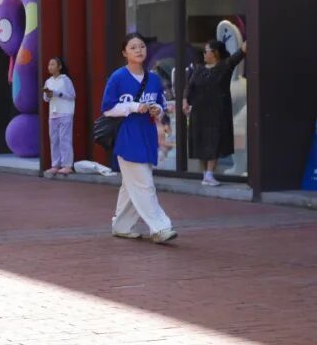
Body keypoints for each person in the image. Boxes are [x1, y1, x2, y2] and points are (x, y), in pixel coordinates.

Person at [101, 32, 176, 244]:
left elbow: (161, 104)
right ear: (124, 52)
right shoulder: (117, 77)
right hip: (127, 137)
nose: (138, 50)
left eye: (141, 46)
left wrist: (157, 110)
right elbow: (107, 108)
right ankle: (161, 227)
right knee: (144, 184)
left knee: (131, 186)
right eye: (133, 47)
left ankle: (122, 226)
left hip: (147, 136)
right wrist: (134, 106)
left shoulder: (153, 79)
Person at [183, 39, 247, 186]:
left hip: (216, 112)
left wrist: (247, 41)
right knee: (200, 142)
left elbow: (239, 55)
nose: (204, 54)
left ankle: (210, 174)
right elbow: (190, 86)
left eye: (206, 51)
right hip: (199, 112)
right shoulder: (199, 68)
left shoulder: (224, 66)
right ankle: (206, 174)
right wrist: (185, 100)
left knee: (214, 141)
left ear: (215, 53)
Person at [43, 56, 77, 175]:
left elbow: (72, 95)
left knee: (65, 139)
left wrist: (58, 93)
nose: (50, 67)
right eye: (49, 65)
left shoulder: (65, 80)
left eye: (53, 64)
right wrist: (48, 95)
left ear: (60, 67)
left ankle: (67, 165)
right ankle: (55, 165)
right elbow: (46, 99)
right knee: (54, 140)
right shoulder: (48, 81)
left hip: (65, 113)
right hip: (53, 114)